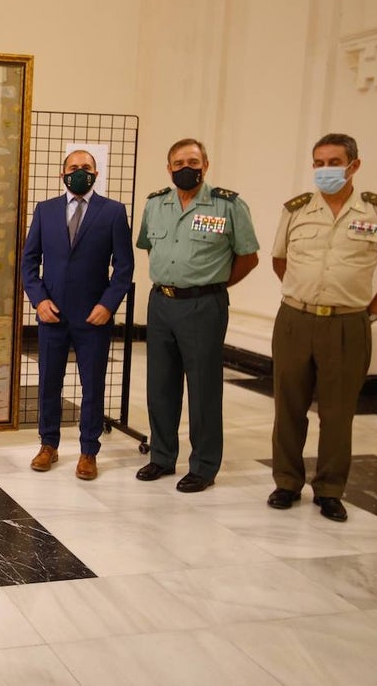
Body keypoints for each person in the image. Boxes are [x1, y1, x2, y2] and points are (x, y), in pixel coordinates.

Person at [268, 133, 377, 522]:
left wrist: (375, 309)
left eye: (334, 162)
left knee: (338, 411)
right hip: (295, 319)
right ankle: (286, 481)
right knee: (289, 406)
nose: (325, 169)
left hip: (348, 323)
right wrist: (302, 293)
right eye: (318, 163)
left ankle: (330, 489)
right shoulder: (297, 210)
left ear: (353, 166)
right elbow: (279, 260)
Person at [135, 138, 259, 492]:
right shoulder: (156, 204)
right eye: (178, 162)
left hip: (204, 305)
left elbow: (248, 256)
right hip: (161, 303)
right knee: (160, 385)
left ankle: (204, 465)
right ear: (169, 168)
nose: (185, 167)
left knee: (203, 388)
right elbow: (149, 248)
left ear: (206, 165)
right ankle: (161, 456)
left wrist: (210, 286)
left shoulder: (227, 206)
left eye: (193, 161)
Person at [22, 149, 134, 480]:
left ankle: (88, 451)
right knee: (48, 383)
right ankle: (48, 444)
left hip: (93, 318)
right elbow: (29, 262)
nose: (80, 172)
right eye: (74, 167)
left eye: (86, 167)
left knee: (93, 386)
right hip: (52, 315)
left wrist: (108, 304)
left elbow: (124, 267)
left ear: (96, 174)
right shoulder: (45, 211)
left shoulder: (113, 212)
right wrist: (39, 300)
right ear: (63, 173)